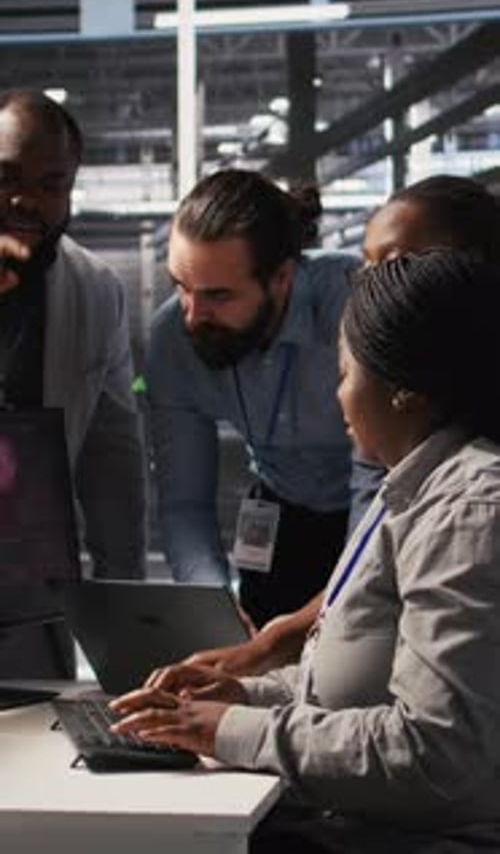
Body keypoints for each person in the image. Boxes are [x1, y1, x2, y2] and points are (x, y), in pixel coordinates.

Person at [111, 247, 500, 853]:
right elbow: (353, 688)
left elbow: (436, 753)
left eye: (345, 373)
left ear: (404, 391)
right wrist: (244, 695)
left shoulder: (466, 515)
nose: (337, 395)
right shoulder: (413, 488)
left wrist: (237, 732)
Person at [178, 172, 500, 676]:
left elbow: (436, 735)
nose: (367, 290)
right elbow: (370, 547)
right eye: (365, 268)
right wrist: (268, 652)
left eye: (392, 265)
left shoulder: (476, 494)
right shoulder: (401, 407)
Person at [146, 169, 360, 627]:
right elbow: (185, 502)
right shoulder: (171, 338)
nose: (193, 316)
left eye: (218, 295)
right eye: (181, 287)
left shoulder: (350, 302)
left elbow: (381, 478)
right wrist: (213, 609)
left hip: (370, 506)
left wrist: (326, 614)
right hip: (277, 510)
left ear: (281, 278)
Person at [0, 89, 146, 678]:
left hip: (34, 588)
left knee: (36, 753)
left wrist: (124, 618)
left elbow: (113, 460)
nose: (24, 200)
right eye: (6, 176)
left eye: (50, 184)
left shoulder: (95, 291)